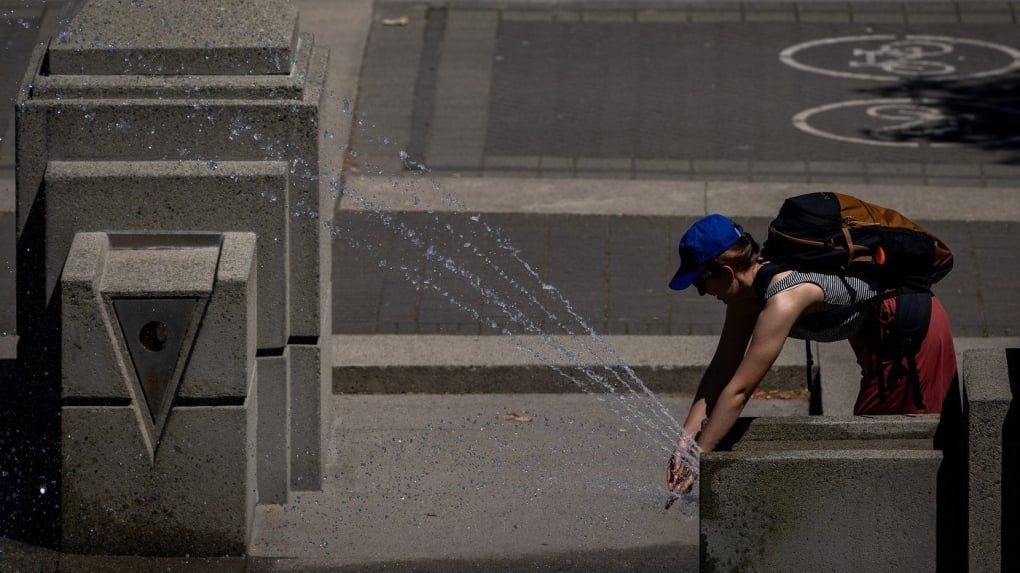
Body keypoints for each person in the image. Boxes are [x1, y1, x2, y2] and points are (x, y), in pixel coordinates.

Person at [664, 214, 957, 497]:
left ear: (727, 272)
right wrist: (685, 442)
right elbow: (721, 370)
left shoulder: (784, 297)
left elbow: (740, 391)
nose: (702, 293)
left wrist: (700, 457)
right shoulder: (745, 296)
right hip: (877, 340)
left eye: (700, 283)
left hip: (910, 333)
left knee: (890, 448)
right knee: (875, 445)